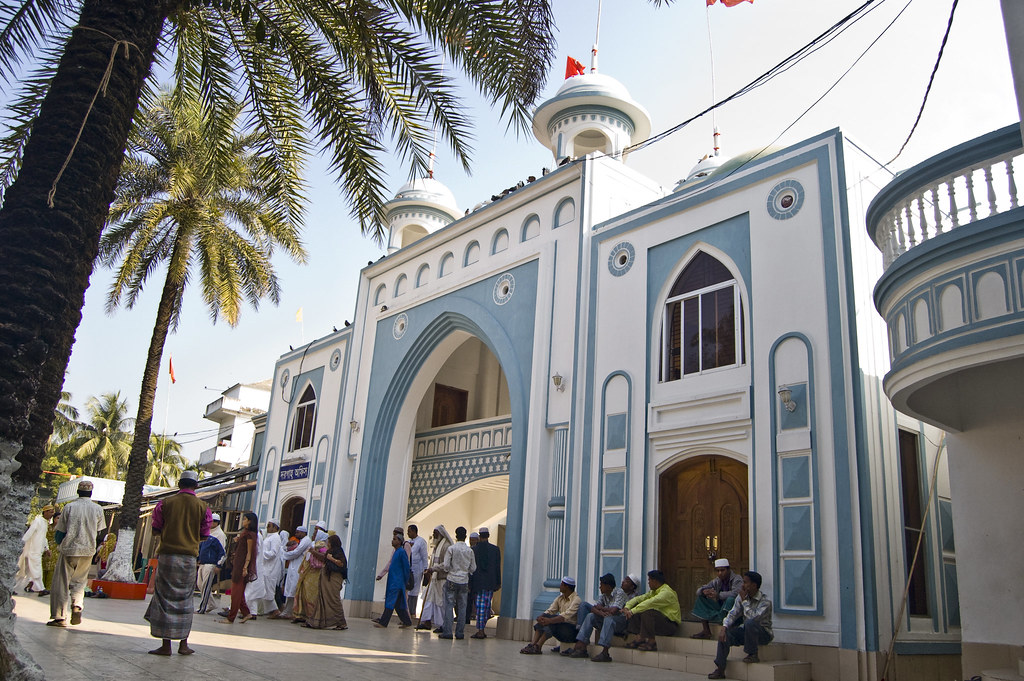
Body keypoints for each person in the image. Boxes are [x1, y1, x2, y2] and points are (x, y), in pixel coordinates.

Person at [144, 470, 213, 655]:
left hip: (167, 556)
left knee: (164, 598)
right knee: (185, 599)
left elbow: (156, 527)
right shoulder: (203, 506)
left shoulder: (165, 503)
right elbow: (205, 534)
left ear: (179, 484)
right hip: (189, 558)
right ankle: (183, 644)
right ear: (196, 486)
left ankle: (166, 645)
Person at [48, 480, 105, 627]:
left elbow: (60, 530)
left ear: (78, 492)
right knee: (80, 581)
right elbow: (99, 531)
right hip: (87, 550)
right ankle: (77, 605)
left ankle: (60, 617)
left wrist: (59, 543)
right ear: (91, 493)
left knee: (61, 582)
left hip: (69, 548)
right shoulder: (98, 509)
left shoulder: (70, 507)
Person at [708, 571, 773, 679]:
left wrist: (744, 602)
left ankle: (752, 654)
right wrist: (724, 627)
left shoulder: (765, 602)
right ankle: (720, 668)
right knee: (725, 635)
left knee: (750, 623)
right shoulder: (742, 597)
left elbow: (754, 618)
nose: (743, 585)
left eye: (745, 582)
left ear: (754, 585)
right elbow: (733, 613)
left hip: (763, 634)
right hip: (747, 632)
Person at [567, 572, 636, 661]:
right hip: (607, 619)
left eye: (601, 585)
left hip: (621, 622)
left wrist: (601, 609)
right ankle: (582, 645)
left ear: (608, 586)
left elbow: (614, 611)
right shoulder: (603, 596)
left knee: (609, 619)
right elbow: (595, 608)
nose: (600, 587)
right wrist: (601, 613)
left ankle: (605, 652)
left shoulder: (620, 593)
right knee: (591, 616)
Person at [519, 576, 581, 655]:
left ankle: (538, 646)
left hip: (571, 631)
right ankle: (532, 644)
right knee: (547, 618)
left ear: (567, 587)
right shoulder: (560, 598)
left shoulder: (576, 600)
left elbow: (566, 616)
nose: (560, 586)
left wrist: (550, 620)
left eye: (562, 585)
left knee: (553, 622)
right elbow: (551, 610)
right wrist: (541, 617)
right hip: (561, 628)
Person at [623, 569, 681, 652]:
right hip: (660, 623)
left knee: (648, 613)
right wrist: (627, 607)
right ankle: (640, 638)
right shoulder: (653, 592)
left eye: (649, 580)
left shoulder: (666, 593)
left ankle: (652, 642)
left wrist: (632, 611)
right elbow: (639, 599)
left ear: (655, 581)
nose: (648, 583)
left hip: (670, 625)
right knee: (637, 609)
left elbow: (650, 603)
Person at [217, 511, 258, 624]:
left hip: (241, 567)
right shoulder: (244, 534)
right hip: (238, 565)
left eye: (244, 519)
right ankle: (246, 613)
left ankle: (231, 618)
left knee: (235, 593)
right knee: (239, 593)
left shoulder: (250, 535)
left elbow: (249, 553)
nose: (243, 521)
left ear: (249, 521)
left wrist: (245, 567)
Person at [438, 526, 476, 640]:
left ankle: (447, 632)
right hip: (464, 581)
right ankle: (460, 633)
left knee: (449, 606)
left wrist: (451, 570)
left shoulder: (452, 549)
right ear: (465, 536)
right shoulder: (470, 551)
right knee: (462, 607)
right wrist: (465, 571)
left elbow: (445, 566)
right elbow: (473, 568)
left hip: (451, 579)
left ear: (456, 535)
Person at [692, 558, 743, 640]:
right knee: (701, 598)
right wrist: (703, 591)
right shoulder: (717, 581)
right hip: (721, 607)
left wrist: (718, 595)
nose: (720, 573)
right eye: (718, 571)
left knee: (730, 599)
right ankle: (706, 631)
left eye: (722, 570)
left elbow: (736, 593)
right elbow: (699, 590)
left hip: (734, 610)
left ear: (728, 569)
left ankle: (727, 628)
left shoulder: (737, 579)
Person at [305, 533, 348, 630]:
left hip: (334, 579)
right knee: (322, 599)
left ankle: (341, 622)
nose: (327, 544)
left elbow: (341, 564)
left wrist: (331, 558)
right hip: (327, 578)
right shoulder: (330, 551)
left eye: (329, 542)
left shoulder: (338, 552)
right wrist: (313, 552)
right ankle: (316, 621)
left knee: (333, 600)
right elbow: (323, 558)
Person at [416, 525, 453, 631]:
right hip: (433, 579)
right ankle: (426, 622)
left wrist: (433, 569)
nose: (433, 535)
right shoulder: (436, 545)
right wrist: (429, 570)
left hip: (442, 579)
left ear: (441, 534)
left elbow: (446, 565)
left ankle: (442, 625)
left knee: (440, 603)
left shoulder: (446, 546)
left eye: (435, 533)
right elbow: (433, 561)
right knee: (429, 601)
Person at [373, 534, 413, 628]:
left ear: (399, 541)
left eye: (395, 539)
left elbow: (406, 567)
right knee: (398, 604)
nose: (392, 541)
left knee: (390, 602)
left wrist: (406, 580)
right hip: (393, 582)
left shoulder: (401, 552)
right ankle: (407, 621)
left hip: (397, 583)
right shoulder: (396, 552)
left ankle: (383, 622)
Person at [15, 505, 54, 594]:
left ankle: (13, 588)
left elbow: (43, 537)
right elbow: (30, 532)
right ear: (45, 512)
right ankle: (41, 589)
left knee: (25, 571)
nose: (52, 514)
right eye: (51, 512)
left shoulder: (44, 522)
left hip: (37, 551)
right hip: (33, 550)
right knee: (36, 570)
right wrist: (21, 543)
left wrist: (46, 548)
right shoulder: (38, 521)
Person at [249, 518, 284, 618]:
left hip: (270, 569)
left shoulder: (276, 538)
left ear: (275, 527)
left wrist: (260, 554)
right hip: (265, 568)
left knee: (268, 591)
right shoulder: (269, 537)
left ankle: (275, 610)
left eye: (269, 525)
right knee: (264, 590)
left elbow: (273, 553)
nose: (267, 527)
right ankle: (266, 610)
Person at [293, 523, 328, 623]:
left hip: (314, 574)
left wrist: (313, 552)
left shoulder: (321, 545)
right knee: (303, 593)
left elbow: (324, 556)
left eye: (316, 532)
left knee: (311, 596)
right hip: (307, 574)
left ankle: (311, 616)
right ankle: (302, 615)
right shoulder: (314, 544)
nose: (314, 534)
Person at [470, 526, 501, 638]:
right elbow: (497, 567)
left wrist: (470, 584)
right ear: (488, 536)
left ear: (479, 536)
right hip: (490, 582)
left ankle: (480, 630)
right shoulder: (495, 549)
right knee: (485, 605)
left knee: (480, 606)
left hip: (478, 583)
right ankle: (481, 629)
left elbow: (471, 569)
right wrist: (498, 582)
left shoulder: (474, 550)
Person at [277, 525, 311, 619]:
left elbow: (297, 552)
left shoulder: (306, 540)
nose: (296, 534)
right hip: (294, 567)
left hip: (298, 568)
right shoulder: (300, 541)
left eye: (298, 532)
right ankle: (288, 611)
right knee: (290, 590)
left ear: (303, 532)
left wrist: (284, 554)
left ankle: (293, 612)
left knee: (294, 590)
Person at [196, 512, 227, 614]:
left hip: (211, 564)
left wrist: (219, 565)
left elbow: (222, 552)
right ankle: (211, 604)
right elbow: (201, 546)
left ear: (217, 523)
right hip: (203, 563)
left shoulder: (220, 535)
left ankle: (202, 608)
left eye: (214, 521)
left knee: (205, 585)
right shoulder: (208, 533)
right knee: (200, 584)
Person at [406, 524, 429, 616]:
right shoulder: (407, 542)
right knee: (408, 589)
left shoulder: (421, 542)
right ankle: (407, 611)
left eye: (409, 531)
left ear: (414, 531)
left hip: (417, 569)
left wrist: (425, 569)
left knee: (414, 590)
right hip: (408, 569)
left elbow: (424, 556)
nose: (408, 533)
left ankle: (412, 612)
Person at [39, 508, 61, 596]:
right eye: (58, 518)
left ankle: (48, 588)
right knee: (44, 568)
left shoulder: (61, 529)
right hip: (46, 549)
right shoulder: (48, 527)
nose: (59, 520)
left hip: (56, 550)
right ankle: (41, 587)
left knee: (52, 569)